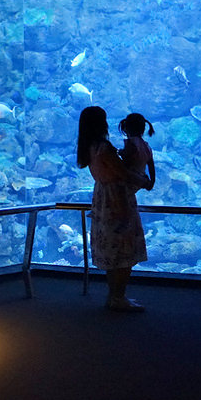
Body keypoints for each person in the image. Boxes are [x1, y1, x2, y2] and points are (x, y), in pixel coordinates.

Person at [76, 106, 152, 312]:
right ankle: (119, 297)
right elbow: (123, 173)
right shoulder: (104, 148)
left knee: (111, 250)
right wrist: (145, 181)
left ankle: (114, 296)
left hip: (103, 199)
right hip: (117, 201)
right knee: (124, 250)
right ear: (100, 123)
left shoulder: (89, 146)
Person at [118, 112, 156, 196]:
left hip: (129, 180)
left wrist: (120, 153)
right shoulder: (146, 146)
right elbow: (151, 165)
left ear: (126, 128)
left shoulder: (131, 143)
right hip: (139, 180)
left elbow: (127, 160)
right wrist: (152, 182)